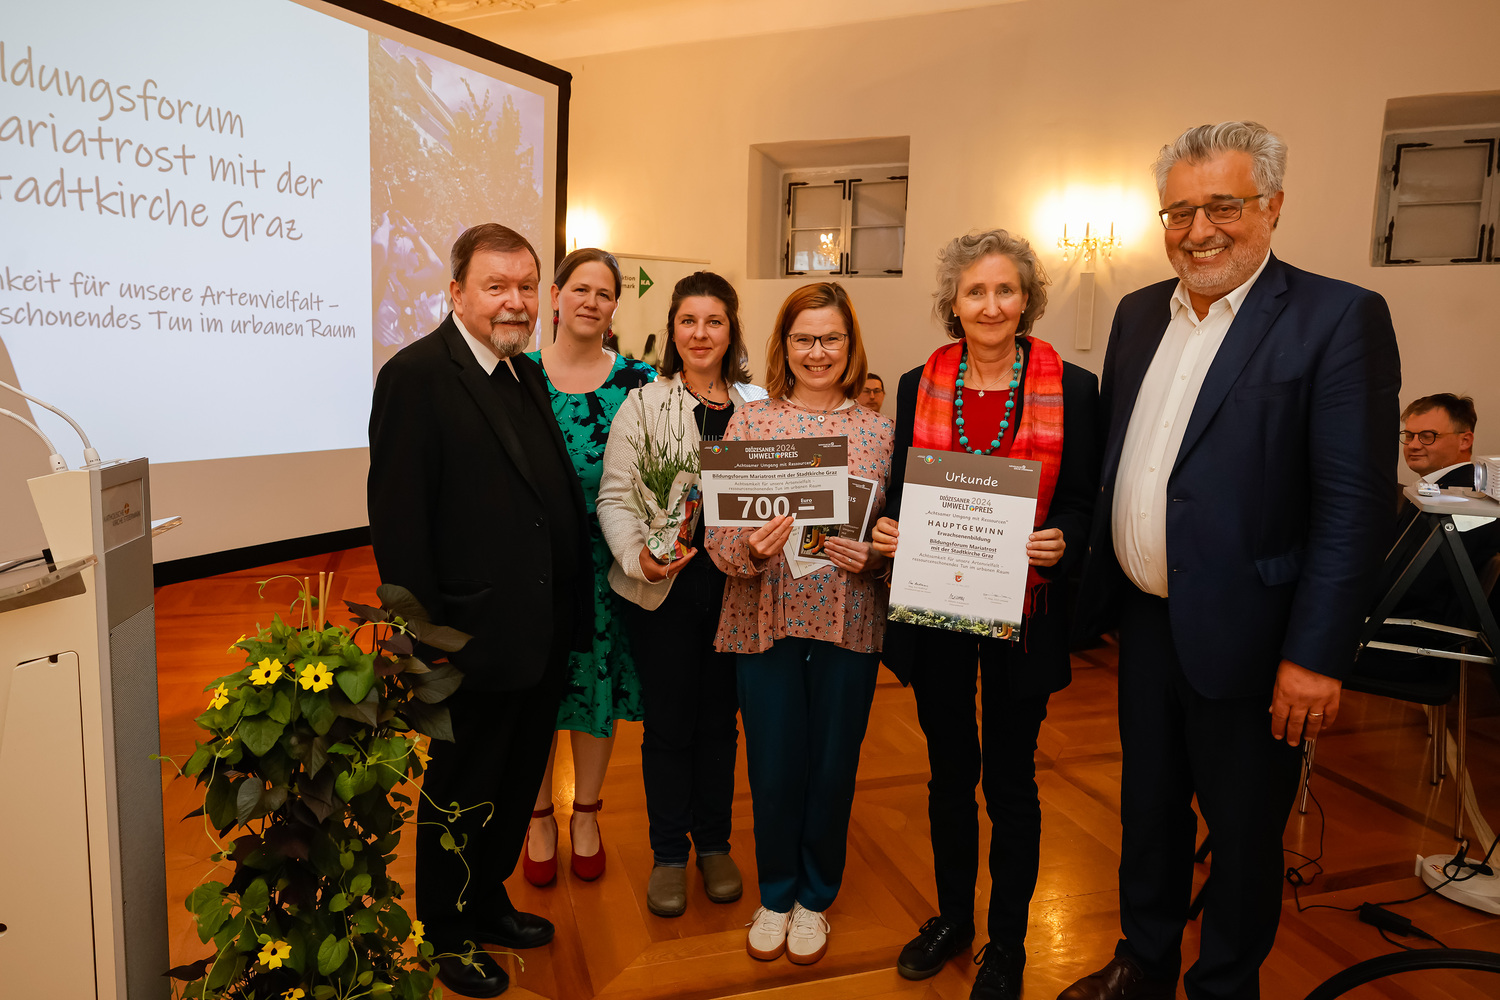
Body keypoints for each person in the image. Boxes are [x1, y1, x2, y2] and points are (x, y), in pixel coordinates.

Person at [1062, 122, 1401, 1000]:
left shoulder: (1338, 318)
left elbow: (1353, 509)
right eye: (1179, 211)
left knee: (1245, 834)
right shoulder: (1140, 313)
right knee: (1148, 811)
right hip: (1146, 622)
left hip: (1258, 638)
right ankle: (1143, 963)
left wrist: (1316, 656)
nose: (1199, 230)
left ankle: (1223, 986)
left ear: (1273, 207)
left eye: (1224, 206)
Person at [869, 231, 1099, 999]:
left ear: (1027, 299)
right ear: (954, 303)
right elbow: (903, 487)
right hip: (938, 606)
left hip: (1024, 612)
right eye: (976, 291)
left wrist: (1063, 538)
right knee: (947, 774)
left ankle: (1007, 944)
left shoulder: (1074, 387)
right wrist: (891, 526)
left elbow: (1082, 496)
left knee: (1010, 782)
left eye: (1006, 290)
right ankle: (952, 921)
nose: (992, 305)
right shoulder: (917, 383)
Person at [367, 223, 592, 999]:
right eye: (496, 286)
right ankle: (446, 930)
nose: (514, 301)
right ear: (456, 292)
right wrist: (422, 641)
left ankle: (487, 899)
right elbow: (398, 522)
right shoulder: (416, 376)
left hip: (535, 634)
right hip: (465, 640)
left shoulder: (520, 371)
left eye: (525, 286)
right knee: (461, 789)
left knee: (514, 779)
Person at [705, 282, 895, 966]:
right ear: (784, 345)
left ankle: (815, 896)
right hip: (765, 619)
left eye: (831, 338)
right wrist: (749, 551)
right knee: (773, 764)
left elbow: (896, 539)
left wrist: (875, 557)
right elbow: (718, 539)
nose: (818, 352)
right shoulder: (749, 425)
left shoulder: (881, 432)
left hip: (850, 623)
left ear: (850, 345)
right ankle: (777, 892)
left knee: (834, 764)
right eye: (804, 338)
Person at [596, 271, 767, 917]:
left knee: (720, 724)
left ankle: (715, 845)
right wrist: (637, 558)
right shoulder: (643, 404)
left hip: (738, 591)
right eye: (688, 321)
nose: (700, 333)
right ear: (672, 330)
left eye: (713, 321)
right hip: (662, 593)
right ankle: (669, 853)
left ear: (731, 331)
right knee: (669, 726)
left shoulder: (759, 406)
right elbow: (615, 497)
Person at [521, 248, 656, 886]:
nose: (591, 302)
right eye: (580, 289)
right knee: (537, 691)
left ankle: (587, 814)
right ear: (555, 295)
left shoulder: (640, 381)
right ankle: (538, 817)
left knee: (597, 687)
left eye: (604, 293)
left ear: (615, 306)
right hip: (532, 567)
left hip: (609, 564)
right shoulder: (515, 374)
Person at [1402, 393, 1476, 482]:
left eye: (1427, 436)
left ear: (1465, 441)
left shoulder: (1470, 490)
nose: (1413, 445)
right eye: (1409, 436)